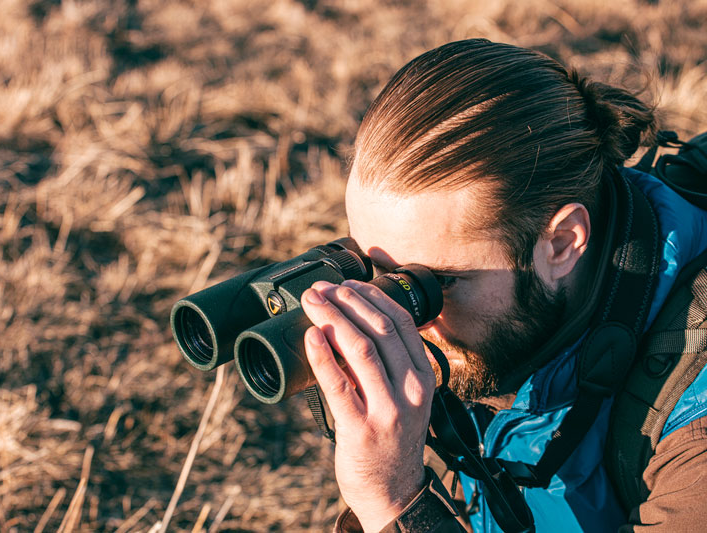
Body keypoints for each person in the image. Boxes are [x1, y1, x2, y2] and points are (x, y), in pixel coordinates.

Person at [298, 39, 707, 532]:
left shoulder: (695, 428)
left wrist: (397, 505)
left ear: (561, 243)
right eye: (375, 270)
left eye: (439, 281)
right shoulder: (510, 318)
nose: (400, 315)